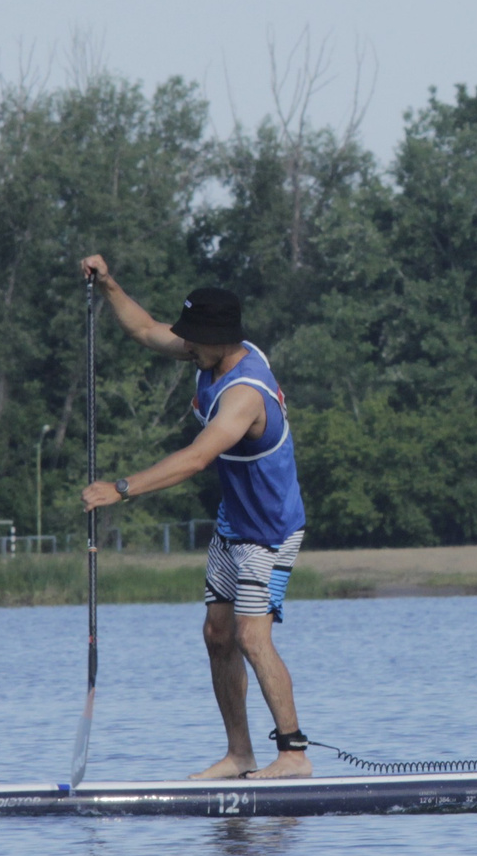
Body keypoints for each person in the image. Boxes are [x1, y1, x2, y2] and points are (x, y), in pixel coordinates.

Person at [78, 256, 312, 780]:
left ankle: (294, 755)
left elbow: (197, 458)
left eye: (195, 339)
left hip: (270, 532)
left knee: (252, 637)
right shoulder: (209, 353)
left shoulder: (244, 394)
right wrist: (108, 283)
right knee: (217, 634)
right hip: (233, 523)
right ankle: (240, 755)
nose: (186, 345)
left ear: (222, 340)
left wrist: (121, 488)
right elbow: (143, 329)